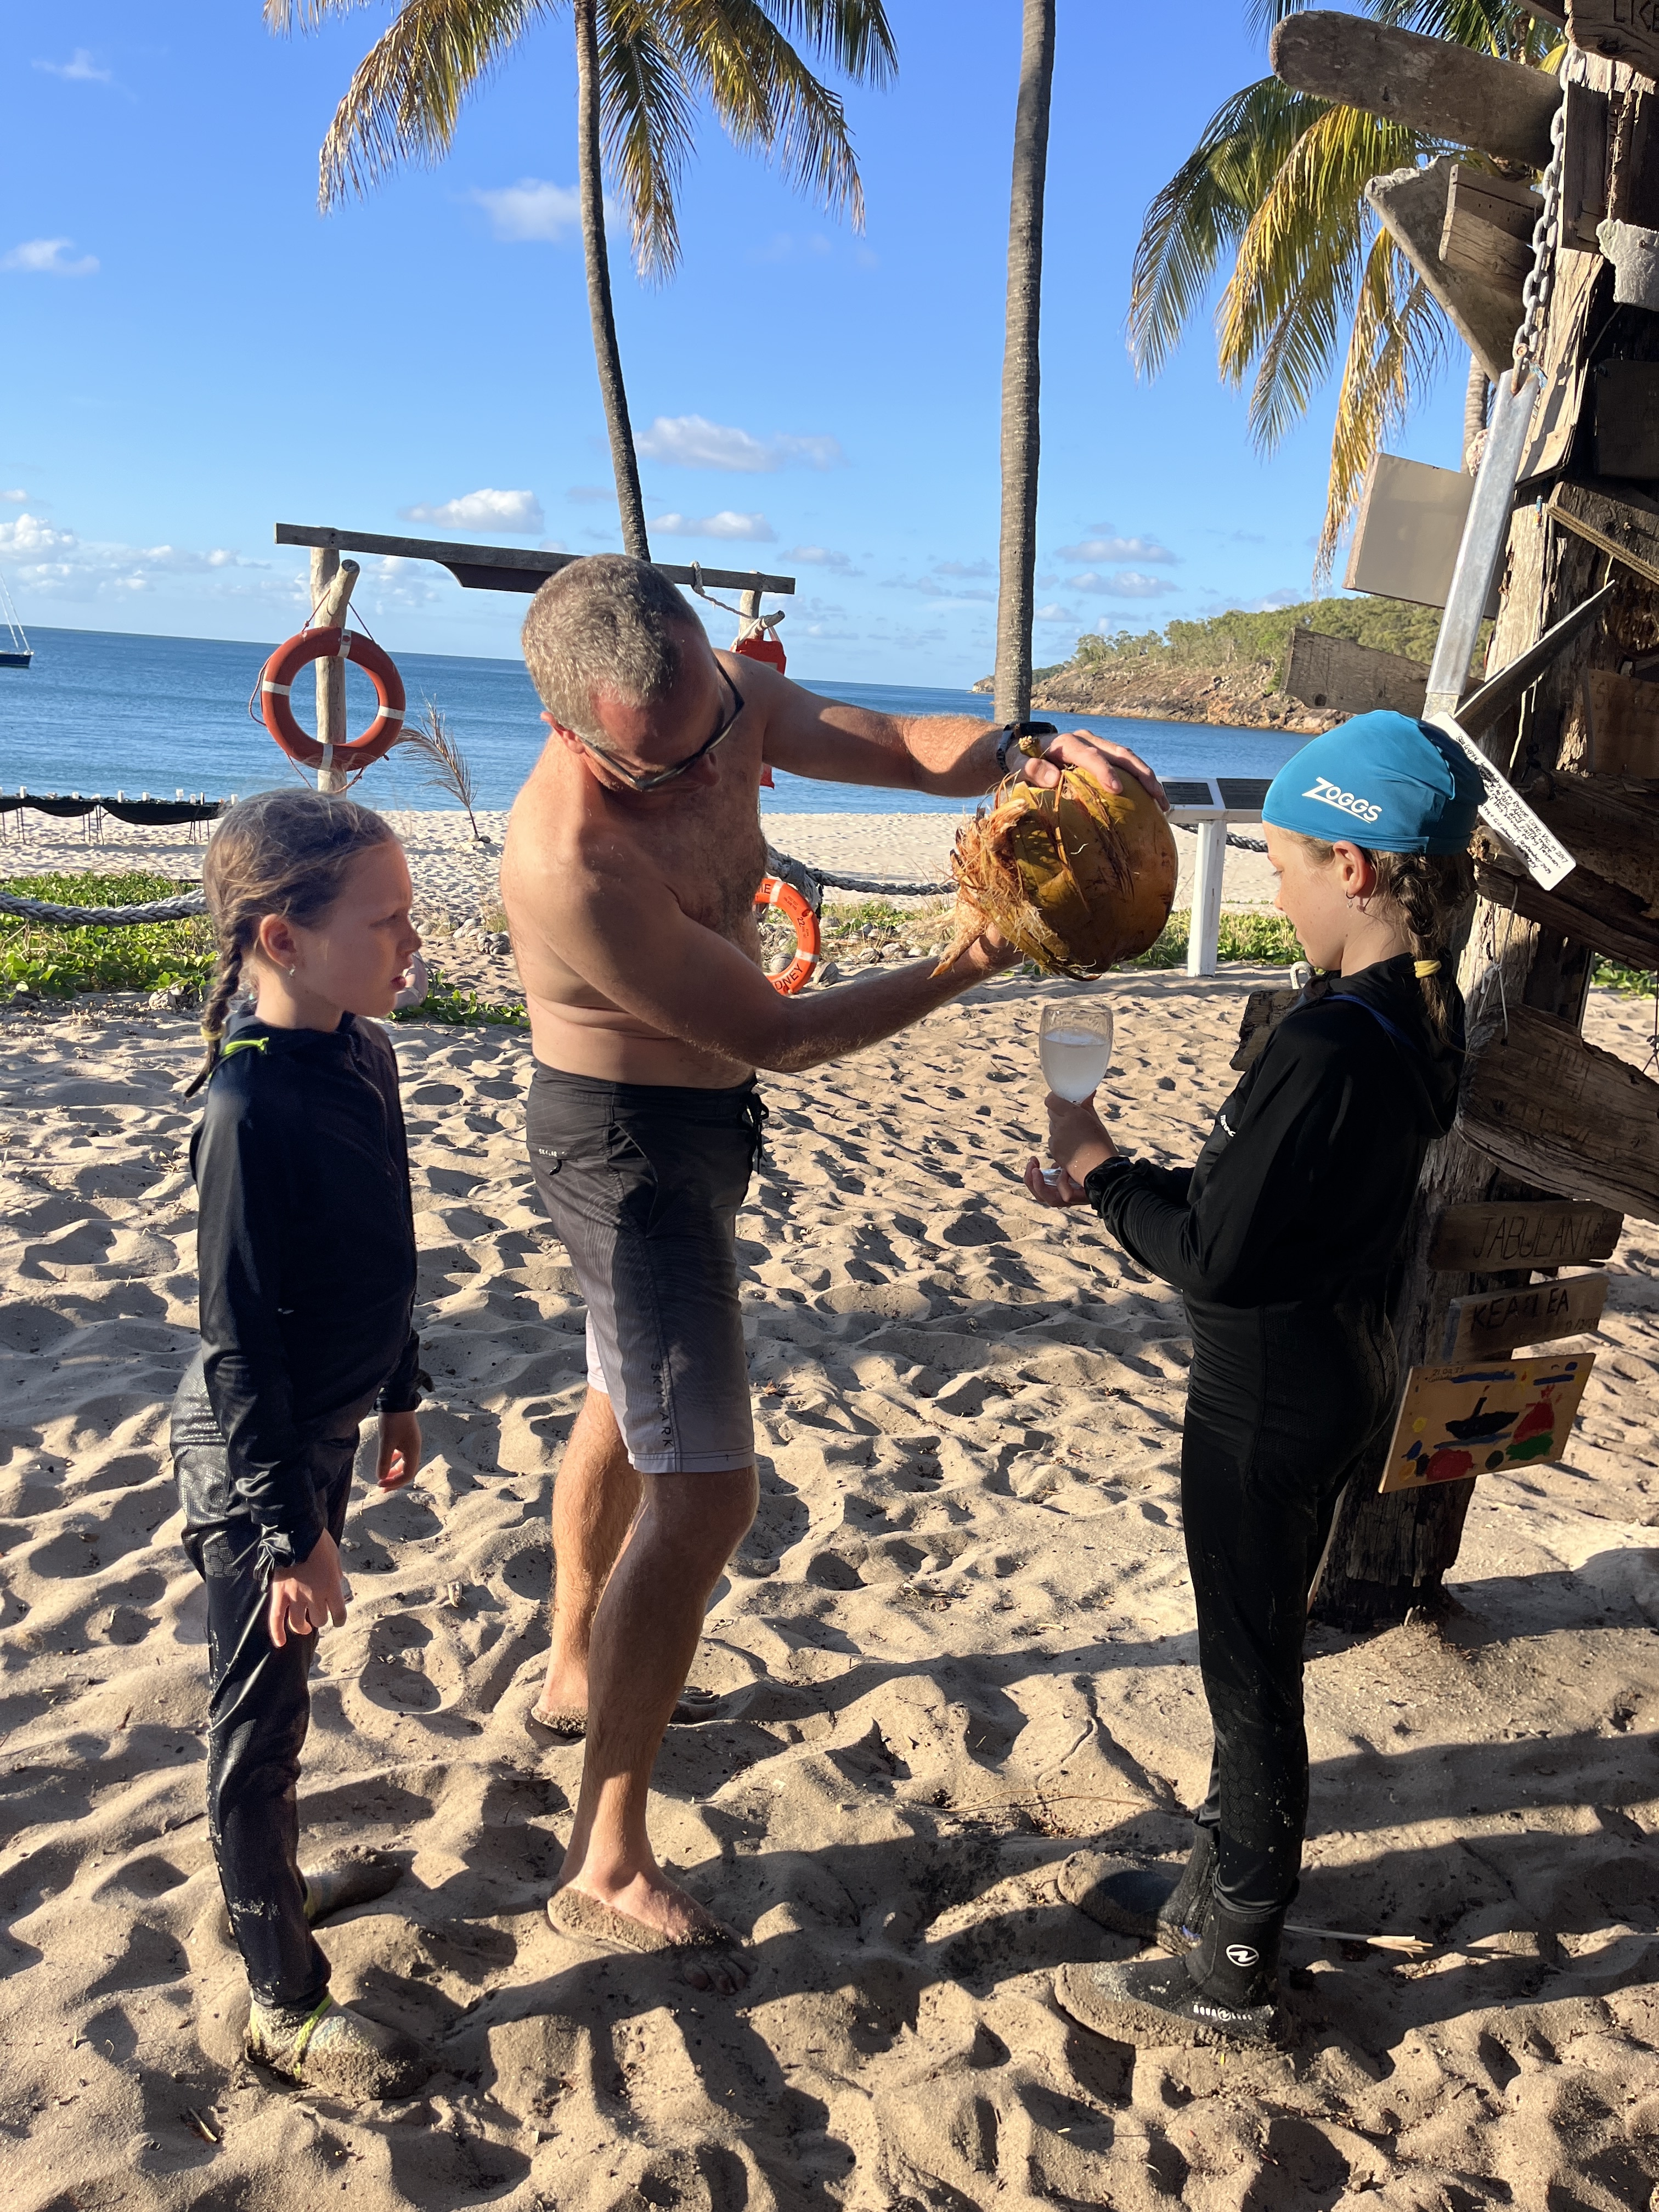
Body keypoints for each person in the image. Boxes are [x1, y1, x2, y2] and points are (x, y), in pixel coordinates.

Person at [500, 554, 1167, 1992]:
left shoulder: (719, 700)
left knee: (624, 1391)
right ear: (574, 732)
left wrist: (1025, 751)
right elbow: (780, 1034)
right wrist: (977, 958)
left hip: (702, 1128)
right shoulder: (571, 864)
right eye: (663, 767)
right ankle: (605, 1860)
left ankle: (573, 1659)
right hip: (623, 1149)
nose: (705, 775)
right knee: (707, 1494)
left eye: (714, 733)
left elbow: (893, 745)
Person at [1027, 710, 1481, 2045]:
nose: (1273, 892)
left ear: (1356, 867)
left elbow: (1216, 1259)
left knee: (1250, 1669)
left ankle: (1234, 1949)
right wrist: (1123, 1179)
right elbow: (1259, 1207)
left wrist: (1100, 1168)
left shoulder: (1329, 1043)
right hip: (1332, 1372)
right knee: (1254, 1647)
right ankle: (1210, 1886)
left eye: (1283, 865)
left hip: (1267, 1402)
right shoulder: (1409, 1013)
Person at [171, 788, 435, 2099]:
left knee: (290, 1703)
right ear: (282, 937)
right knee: (258, 1728)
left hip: (325, 1432)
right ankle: (281, 2000)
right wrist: (291, 1536)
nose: (414, 943)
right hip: (254, 1464)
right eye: (386, 922)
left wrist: (401, 1387)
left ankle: (274, 1884)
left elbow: (388, 1233)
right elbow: (237, 1346)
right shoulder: (246, 1107)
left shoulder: (362, 1051)